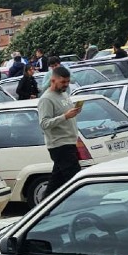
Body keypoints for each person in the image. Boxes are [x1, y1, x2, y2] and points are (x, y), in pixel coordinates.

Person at [39, 66, 83, 197]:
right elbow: (44, 123)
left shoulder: (64, 94)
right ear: (53, 80)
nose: (66, 85)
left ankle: (44, 208)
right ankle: (82, 204)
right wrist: (65, 116)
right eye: (63, 82)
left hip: (70, 142)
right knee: (76, 180)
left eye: (68, 82)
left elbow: (67, 115)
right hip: (59, 145)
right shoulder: (46, 99)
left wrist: (73, 112)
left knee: (57, 183)